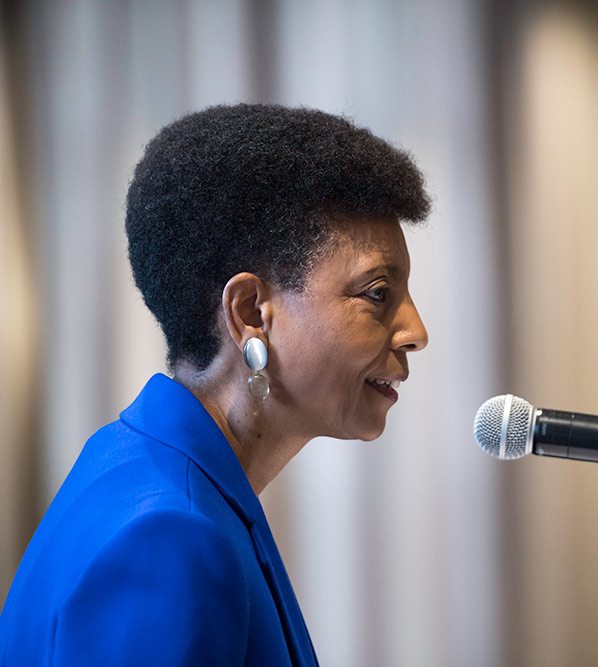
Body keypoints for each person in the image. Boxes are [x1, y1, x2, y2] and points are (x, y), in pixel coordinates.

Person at [0, 104, 430, 665]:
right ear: (251, 313)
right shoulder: (166, 539)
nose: (416, 332)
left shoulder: (147, 467)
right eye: (377, 293)